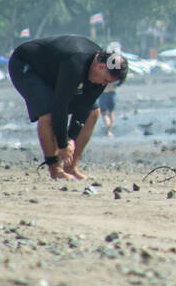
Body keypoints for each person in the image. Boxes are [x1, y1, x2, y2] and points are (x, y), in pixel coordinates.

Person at [8, 35, 127, 180]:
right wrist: (63, 143)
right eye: (106, 80)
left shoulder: (102, 72)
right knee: (48, 114)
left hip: (53, 72)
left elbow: (86, 104)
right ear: (100, 66)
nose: (104, 85)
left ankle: (70, 167)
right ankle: (55, 169)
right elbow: (60, 106)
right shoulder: (75, 63)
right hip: (26, 65)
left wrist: (71, 138)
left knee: (93, 112)